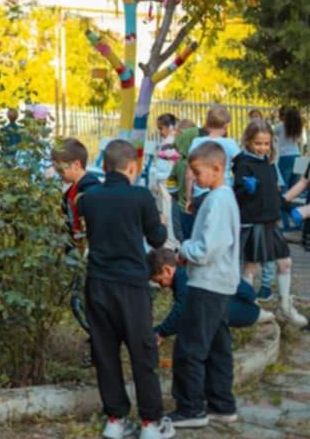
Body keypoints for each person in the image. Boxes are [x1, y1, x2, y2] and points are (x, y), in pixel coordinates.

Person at [77, 140, 173, 439]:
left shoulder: (88, 199)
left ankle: (115, 419)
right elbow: (157, 240)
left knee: (105, 353)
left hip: (98, 283)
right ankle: (150, 423)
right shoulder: (140, 197)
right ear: (133, 167)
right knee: (142, 353)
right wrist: (160, 221)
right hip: (131, 285)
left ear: (104, 166)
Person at [167, 142, 241, 428]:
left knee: (190, 347)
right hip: (219, 283)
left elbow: (208, 247)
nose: (194, 178)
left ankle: (190, 407)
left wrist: (185, 250)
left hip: (208, 284)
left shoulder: (219, 200)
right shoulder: (220, 198)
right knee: (218, 347)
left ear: (217, 169)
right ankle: (221, 403)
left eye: (197, 172)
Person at [233, 121, 308, 327]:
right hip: (254, 222)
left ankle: (284, 306)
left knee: (285, 263)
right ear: (248, 141)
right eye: (258, 143)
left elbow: (273, 194)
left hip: (271, 222)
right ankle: (248, 308)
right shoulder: (243, 163)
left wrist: (284, 207)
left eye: (266, 144)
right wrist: (244, 189)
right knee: (251, 267)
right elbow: (236, 195)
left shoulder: (267, 162)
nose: (263, 148)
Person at [149, 248, 273, 343]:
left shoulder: (182, 277)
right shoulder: (186, 269)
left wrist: (160, 332)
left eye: (159, 280)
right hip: (245, 300)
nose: (160, 285)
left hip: (245, 309)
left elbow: (181, 312)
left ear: (167, 270)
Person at [51, 137, 101, 342]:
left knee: (80, 302)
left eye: (60, 168)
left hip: (89, 254)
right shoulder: (70, 191)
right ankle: (98, 340)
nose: (57, 173)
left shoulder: (90, 190)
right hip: (78, 252)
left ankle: (100, 341)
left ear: (77, 164)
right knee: (81, 302)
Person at [184, 105, 241, 224]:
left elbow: (189, 175)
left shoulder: (197, 142)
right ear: (226, 126)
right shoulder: (231, 144)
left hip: (200, 194)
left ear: (207, 124)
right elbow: (240, 169)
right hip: (224, 192)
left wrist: (189, 198)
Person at [150, 114, 180, 245]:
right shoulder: (170, 141)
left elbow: (168, 163)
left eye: (161, 128)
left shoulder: (170, 142)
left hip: (166, 179)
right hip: (164, 179)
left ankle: (171, 240)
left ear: (170, 127)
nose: (160, 132)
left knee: (168, 209)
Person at [275, 107, 304, 188]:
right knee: (295, 185)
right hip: (297, 155)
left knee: (283, 183)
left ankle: (284, 200)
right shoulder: (298, 127)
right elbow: (300, 140)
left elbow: (270, 134)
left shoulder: (280, 126)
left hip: (285, 157)